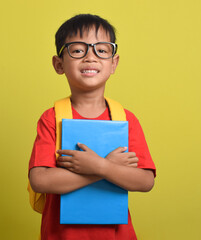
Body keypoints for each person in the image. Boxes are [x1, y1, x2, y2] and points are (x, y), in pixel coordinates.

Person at [28, 14, 156, 240]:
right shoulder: (51, 119)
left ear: (113, 63)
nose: (90, 57)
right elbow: (40, 180)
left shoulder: (126, 119)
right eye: (77, 50)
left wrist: (99, 166)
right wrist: (103, 167)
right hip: (61, 235)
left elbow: (146, 181)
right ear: (59, 64)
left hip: (117, 235)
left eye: (102, 50)